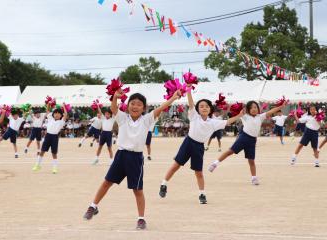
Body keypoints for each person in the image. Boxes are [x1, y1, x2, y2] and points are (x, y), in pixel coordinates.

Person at [83, 89, 181, 230]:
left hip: (135, 158)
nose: (135, 106)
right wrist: (115, 97)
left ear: (144, 108)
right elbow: (113, 108)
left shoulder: (147, 120)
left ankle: (141, 219)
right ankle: (93, 206)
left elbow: (161, 108)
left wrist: (173, 98)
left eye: (139, 104)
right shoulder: (123, 118)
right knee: (106, 183)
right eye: (132, 103)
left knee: (137, 190)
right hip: (121, 155)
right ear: (128, 106)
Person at [158, 88, 243, 204]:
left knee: (198, 172)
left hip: (199, 147)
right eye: (201, 106)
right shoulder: (194, 116)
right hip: (188, 143)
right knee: (176, 165)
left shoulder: (213, 122)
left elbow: (227, 122)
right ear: (197, 109)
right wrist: (188, 90)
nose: (204, 108)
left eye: (207, 106)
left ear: (210, 109)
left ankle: (202, 194)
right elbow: (191, 103)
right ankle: (164, 184)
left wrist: (239, 115)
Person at [208, 101, 288, 185]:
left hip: (252, 140)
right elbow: (235, 111)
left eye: (255, 107)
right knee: (230, 151)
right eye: (251, 107)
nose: (254, 109)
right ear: (248, 109)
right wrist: (229, 107)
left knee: (251, 160)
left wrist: (281, 106)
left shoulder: (260, 117)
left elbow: (271, 111)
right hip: (243, 138)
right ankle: (215, 164)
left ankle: (254, 178)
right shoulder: (245, 116)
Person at [32, 104, 67, 174]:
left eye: (59, 114)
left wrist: (64, 107)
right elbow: (47, 110)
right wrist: (48, 104)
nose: (57, 115)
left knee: (54, 153)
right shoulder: (50, 118)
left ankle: (55, 168)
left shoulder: (61, 122)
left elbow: (65, 114)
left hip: (55, 137)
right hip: (48, 136)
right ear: (53, 114)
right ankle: (37, 165)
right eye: (55, 113)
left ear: (61, 115)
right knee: (42, 151)